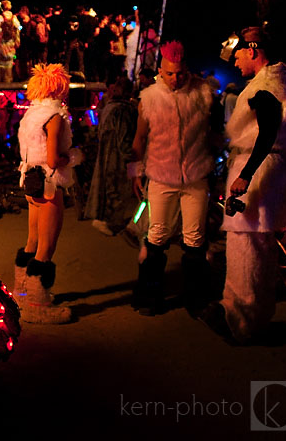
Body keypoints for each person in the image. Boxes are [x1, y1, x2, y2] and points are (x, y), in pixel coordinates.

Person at [202, 27, 286, 343]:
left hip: (257, 171)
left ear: (253, 51)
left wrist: (246, 174)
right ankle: (245, 313)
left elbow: (268, 129)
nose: (236, 62)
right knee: (255, 247)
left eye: (239, 55)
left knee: (247, 246)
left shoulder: (267, 85)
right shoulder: (276, 81)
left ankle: (241, 321)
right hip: (263, 167)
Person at [128, 41, 214, 316]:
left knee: (195, 239)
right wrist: (135, 173)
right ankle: (150, 296)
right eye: (169, 74)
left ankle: (196, 299)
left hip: (196, 176)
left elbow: (213, 131)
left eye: (179, 73)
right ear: (160, 73)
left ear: (186, 69)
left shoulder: (203, 92)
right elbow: (139, 139)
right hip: (161, 176)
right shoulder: (150, 98)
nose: (175, 79)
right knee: (157, 235)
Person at [14, 63, 83, 324]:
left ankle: (21, 293)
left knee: (32, 241)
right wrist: (74, 156)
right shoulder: (54, 118)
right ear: (60, 88)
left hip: (31, 182)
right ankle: (37, 302)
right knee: (46, 247)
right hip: (50, 184)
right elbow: (54, 160)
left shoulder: (31, 114)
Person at [85, 76, 139, 236]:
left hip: (106, 154)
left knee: (107, 188)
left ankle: (104, 219)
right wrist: (132, 157)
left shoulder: (109, 107)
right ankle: (108, 222)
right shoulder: (124, 110)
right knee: (118, 191)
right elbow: (124, 138)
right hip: (117, 158)